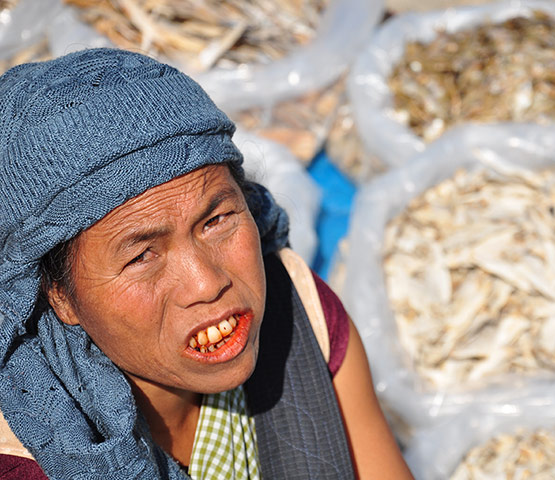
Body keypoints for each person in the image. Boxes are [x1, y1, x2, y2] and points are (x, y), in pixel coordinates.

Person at [0, 48, 413, 479]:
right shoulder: (26, 462)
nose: (206, 283)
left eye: (216, 221)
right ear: (58, 295)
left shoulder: (304, 317)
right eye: (142, 255)